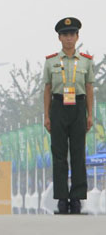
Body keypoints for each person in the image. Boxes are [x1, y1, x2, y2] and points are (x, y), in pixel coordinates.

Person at [43, 17, 94, 214]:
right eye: (65, 35)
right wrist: (46, 115)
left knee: (79, 154)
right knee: (59, 155)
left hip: (79, 107)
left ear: (77, 36)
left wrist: (90, 114)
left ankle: (77, 198)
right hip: (58, 106)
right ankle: (62, 198)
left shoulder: (86, 62)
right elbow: (47, 89)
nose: (69, 38)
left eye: (72, 34)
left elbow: (89, 88)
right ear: (59, 38)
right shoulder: (51, 62)